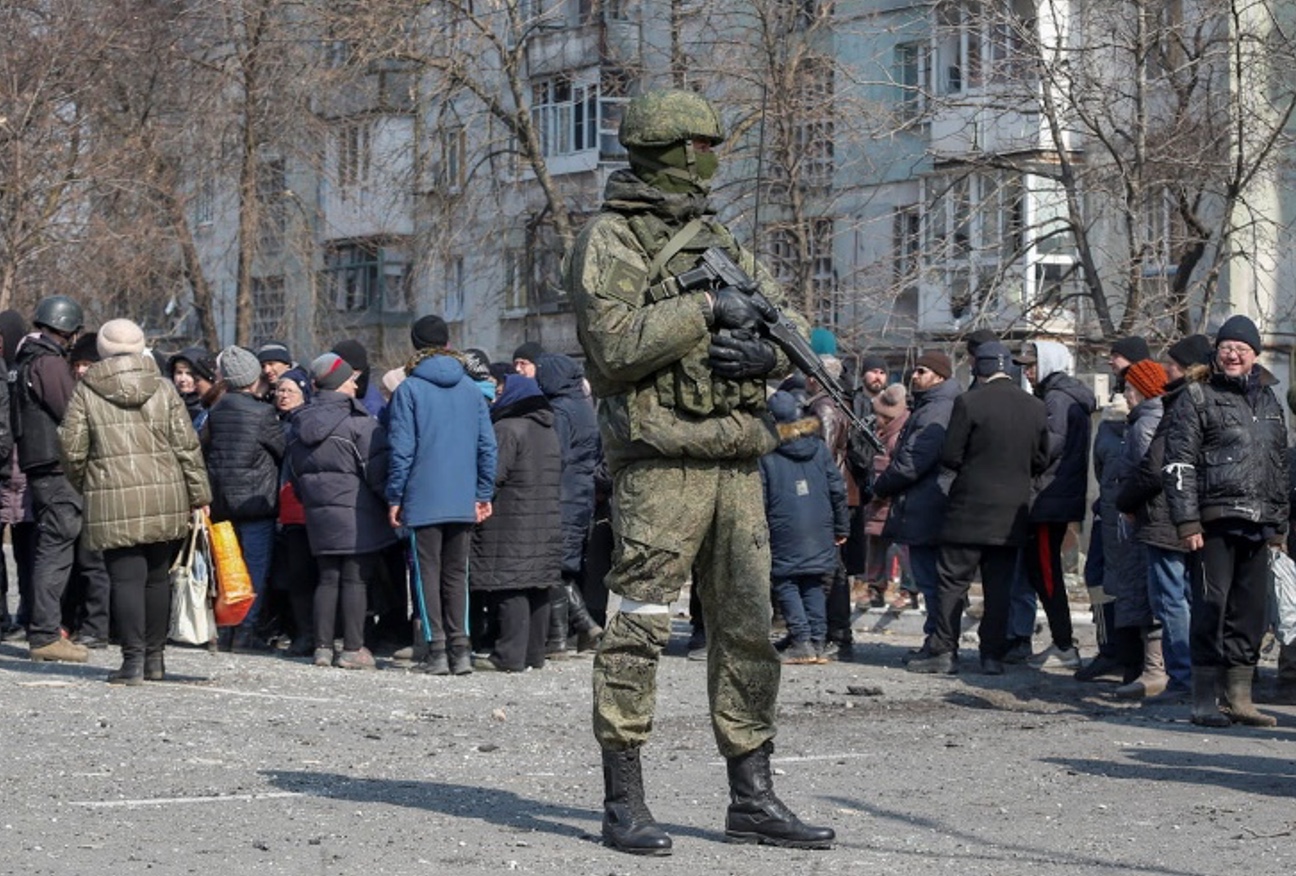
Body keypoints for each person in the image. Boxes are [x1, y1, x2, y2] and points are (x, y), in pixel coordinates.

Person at [566, 87, 834, 855]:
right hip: (660, 466)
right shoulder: (610, 240)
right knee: (640, 630)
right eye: (705, 145)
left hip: (738, 463)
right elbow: (614, 347)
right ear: (673, 149)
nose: (714, 158)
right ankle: (624, 802)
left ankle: (752, 797)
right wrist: (705, 310)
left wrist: (758, 361)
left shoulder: (718, 236)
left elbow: (781, 325)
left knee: (750, 632)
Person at [57, 319, 211, 683]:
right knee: (158, 579)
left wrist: (89, 484)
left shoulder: (86, 390)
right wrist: (199, 493)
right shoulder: (164, 387)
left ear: (104, 350)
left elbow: (71, 449)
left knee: (125, 580)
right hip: (166, 493)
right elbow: (187, 446)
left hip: (112, 496)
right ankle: (155, 660)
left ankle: (131, 663)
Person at [1162, 315, 1288, 727]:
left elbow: (1277, 464)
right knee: (1210, 608)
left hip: (1258, 523)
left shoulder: (1269, 399)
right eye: (1226, 347)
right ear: (1216, 353)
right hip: (1213, 522)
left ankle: (1240, 697)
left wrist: (1279, 524)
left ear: (1255, 355)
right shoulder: (1197, 396)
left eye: (1242, 349)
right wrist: (1187, 522)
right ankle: (1203, 700)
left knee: (1249, 614)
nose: (1233, 355)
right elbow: (1178, 463)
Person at [907, 342, 1050, 675]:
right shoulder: (1035, 406)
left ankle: (944, 651)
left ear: (978, 369)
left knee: (952, 582)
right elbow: (1041, 458)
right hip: (1011, 512)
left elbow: (951, 455)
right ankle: (992, 655)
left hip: (968, 510)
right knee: (999, 586)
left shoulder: (969, 403)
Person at [386, 314, 497, 677]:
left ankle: (436, 652)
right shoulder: (471, 389)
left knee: (426, 574)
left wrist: (395, 496)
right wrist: (483, 491)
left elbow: (401, 449)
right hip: (462, 495)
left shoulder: (409, 389)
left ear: (416, 344)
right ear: (448, 343)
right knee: (457, 573)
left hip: (422, 495)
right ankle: (461, 649)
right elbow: (487, 446)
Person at [13, 295, 112, 663]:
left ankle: (44, 631)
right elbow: (72, 413)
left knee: (50, 548)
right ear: (69, 328)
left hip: (41, 465)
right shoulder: (49, 363)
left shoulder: (26, 360)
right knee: (55, 551)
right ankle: (45, 635)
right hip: (56, 468)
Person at [287, 353, 395, 671]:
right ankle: (352, 648)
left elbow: (293, 473)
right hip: (356, 513)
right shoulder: (358, 424)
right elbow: (377, 474)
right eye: (349, 379)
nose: (354, 384)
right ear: (338, 383)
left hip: (318, 514)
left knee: (327, 578)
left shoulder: (298, 424)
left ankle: (321, 647)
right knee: (355, 580)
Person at [469, 375, 563, 672]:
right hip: (544, 519)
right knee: (537, 586)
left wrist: (477, 498)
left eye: (500, 393)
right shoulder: (547, 430)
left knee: (511, 585)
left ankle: (508, 655)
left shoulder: (507, 429)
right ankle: (534, 654)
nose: (496, 399)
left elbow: (493, 475)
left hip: (512, 520)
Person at [873, 350, 961, 648]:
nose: (915, 375)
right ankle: (936, 640)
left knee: (932, 582)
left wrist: (882, 486)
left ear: (939, 376)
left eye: (922, 371)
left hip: (929, 505)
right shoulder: (931, 405)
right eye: (915, 370)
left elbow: (913, 460)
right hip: (925, 503)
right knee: (930, 581)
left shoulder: (937, 409)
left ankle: (939, 644)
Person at [1016, 340, 1096, 668]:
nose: (1027, 372)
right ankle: (1062, 641)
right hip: (1054, 495)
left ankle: (1064, 644)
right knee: (1042, 571)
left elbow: (1047, 446)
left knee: (1047, 573)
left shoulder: (1057, 398)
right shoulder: (1061, 394)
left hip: (1049, 497)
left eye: (1032, 365)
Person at [204, 345, 284, 651]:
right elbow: (281, 450)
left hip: (222, 503)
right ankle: (246, 632)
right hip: (256, 503)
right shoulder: (263, 413)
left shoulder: (215, 411)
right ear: (253, 378)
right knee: (254, 570)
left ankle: (225, 631)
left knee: (227, 569)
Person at [760, 391, 849, 664]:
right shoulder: (819, 447)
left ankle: (801, 640)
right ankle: (818, 642)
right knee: (812, 581)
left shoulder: (766, 452)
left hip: (783, 525)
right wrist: (841, 526)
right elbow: (837, 488)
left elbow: (761, 496)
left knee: (786, 582)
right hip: (820, 525)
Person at [534, 352, 605, 656]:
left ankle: (574, 630)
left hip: (562, 494)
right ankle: (567, 633)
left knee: (553, 565)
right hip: (582, 494)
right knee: (563, 565)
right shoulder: (585, 406)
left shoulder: (560, 410)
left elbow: (555, 454)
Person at [862, 383, 910, 609]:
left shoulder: (897, 438)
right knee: (877, 543)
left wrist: (879, 490)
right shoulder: (883, 434)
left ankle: (908, 591)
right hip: (881, 501)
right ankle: (875, 587)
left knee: (903, 547)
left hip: (892, 499)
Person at [168, 347, 218, 429]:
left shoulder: (211, 407)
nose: (182, 379)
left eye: (189, 374)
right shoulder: (168, 403)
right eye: (179, 373)